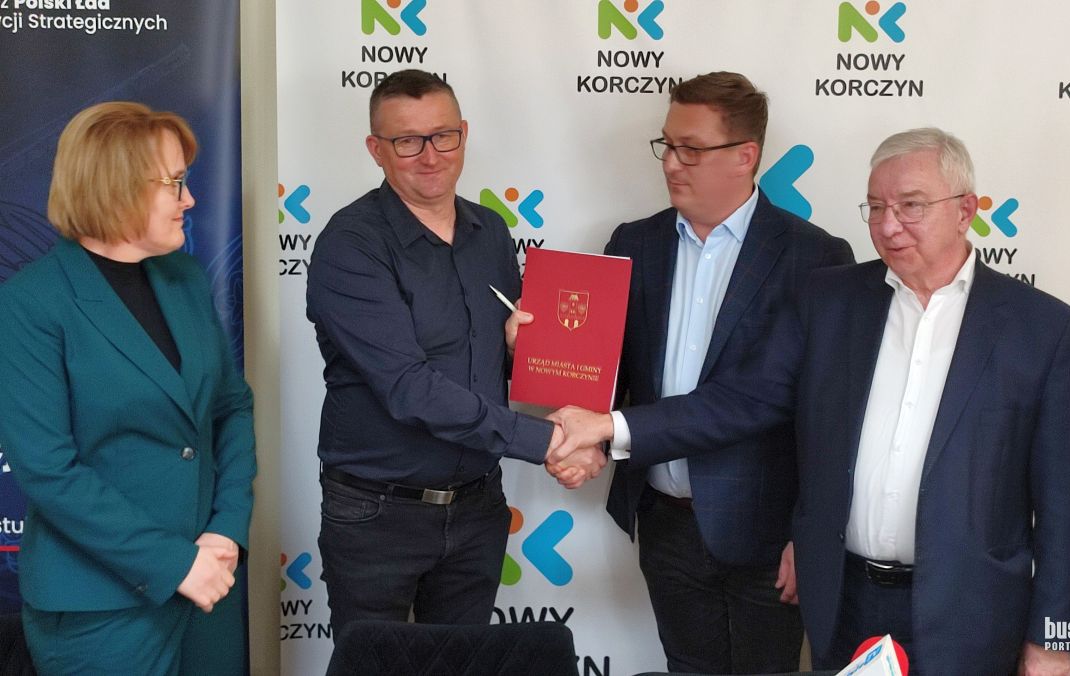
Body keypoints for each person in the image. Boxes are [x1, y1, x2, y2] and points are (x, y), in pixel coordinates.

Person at [549, 128, 1070, 675]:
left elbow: (1063, 512)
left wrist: (1053, 642)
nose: (888, 226)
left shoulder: (1043, 331)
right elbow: (742, 400)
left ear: (965, 210)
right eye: (875, 207)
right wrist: (610, 427)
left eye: (911, 206)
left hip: (972, 612)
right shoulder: (829, 300)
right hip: (844, 601)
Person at [547, 71, 853, 674]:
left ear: (746, 156)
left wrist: (811, 535)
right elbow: (604, 373)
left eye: (691, 149)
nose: (671, 164)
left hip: (768, 537)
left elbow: (798, 409)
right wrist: (537, 362)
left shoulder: (816, 258)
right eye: (667, 145)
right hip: (665, 525)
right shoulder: (635, 242)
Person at [306, 69, 605, 640]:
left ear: (463, 134)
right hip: (378, 514)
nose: (430, 155)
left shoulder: (490, 231)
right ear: (376, 149)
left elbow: (488, 367)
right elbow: (408, 387)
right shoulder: (350, 244)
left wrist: (518, 351)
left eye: (443, 136)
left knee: (464, 663)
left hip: (477, 509)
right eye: (407, 141)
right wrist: (550, 442)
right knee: (374, 665)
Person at [0, 101, 256, 674]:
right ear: (117, 186)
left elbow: (231, 407)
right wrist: (175, 564)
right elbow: (48, 470)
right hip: (100, 607)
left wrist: (226, 529)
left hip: (210, 584)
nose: (190, 199)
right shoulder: (31, 304)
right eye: (176, 183)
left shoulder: (184, 278)